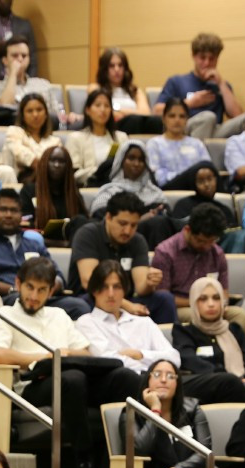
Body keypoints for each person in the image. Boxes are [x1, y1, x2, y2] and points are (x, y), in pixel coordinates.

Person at [0, 257, 133, 468]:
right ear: (18, 283)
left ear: (51, 290)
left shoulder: (59, 315)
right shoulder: (4, 314)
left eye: (41, 290)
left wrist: (63, 354)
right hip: (28, 386)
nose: (34, 296)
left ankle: (114, 464)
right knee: (72, 378)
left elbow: (85, 354)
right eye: (29, 288)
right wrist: (46, 356)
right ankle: (83, 461)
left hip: (68, 379)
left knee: (124, 377)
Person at [70, 192, 175, 322]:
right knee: (82, 305)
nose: (127, 231)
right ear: (108, 217)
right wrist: (125, 306)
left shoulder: (138, 240)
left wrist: (149, 282)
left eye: (133, 225)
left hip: (126, 298)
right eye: (122, 223)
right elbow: (90, 282)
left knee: (165, 299)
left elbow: (141, 288)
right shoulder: (87, 234)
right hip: (93, 298)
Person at [74, 260, 180, 374]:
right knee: (124, 374)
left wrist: (140, 354)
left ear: (124, 290)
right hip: (119, 381)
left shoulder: (144, 322)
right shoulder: (87, 322)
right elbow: (106, 360)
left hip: (155, 379)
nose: (111, 294)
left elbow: (174, 358)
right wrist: (147, 368)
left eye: (116, 287)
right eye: (104, 287)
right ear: (94, 290)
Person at [153, 205, 245, 328]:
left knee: (240, 315)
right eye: (201, 241)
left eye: (212, 241)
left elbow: (224, 292)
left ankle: (233, 346)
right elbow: (163, 300)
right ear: (188, 230)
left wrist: (221, 304)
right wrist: (199, 303)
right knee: (198, 317)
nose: (207, 247)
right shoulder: (166, 252)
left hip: (213, 306)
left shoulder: (217, 253)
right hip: (181, 308)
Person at [173, 274, 245, 398]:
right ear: (193, 303)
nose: (211, 304)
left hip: (242, 386)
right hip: (210, 389)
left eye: (216, 298)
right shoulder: (184, 332)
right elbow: (192, 362)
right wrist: (232, 378)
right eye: (203, 299)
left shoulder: (234, 330)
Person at [152, 33, 244, 139]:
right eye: (202, 58)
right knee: (208, 117)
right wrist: (189, 103)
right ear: (194, 56)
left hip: (214, 133)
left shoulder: (223, 86)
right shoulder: (176, 81)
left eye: (212, 59)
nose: (207, 63)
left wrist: (221, 83)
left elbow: (237, 116)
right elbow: (156, 111)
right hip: (186, 131)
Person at [85, 144, 175, 249]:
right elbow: (102, 222)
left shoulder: (156, 194)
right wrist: (139, 220)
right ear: (121, 161)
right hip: (112, 246)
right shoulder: (108, 191)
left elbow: (167, 222)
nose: (136, 164)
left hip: (149, 242)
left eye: (141, 160)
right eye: (131, 158)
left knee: (159, 223)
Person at [0, 38, 74, 128]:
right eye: (15, 56)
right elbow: (3, 110)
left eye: (24, 56)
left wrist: (68, 117)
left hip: (47, 130)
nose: (20, 59)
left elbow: (57, 115)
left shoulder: (43, 84)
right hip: (18, 130)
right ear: (5, 60)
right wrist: (13, 74)